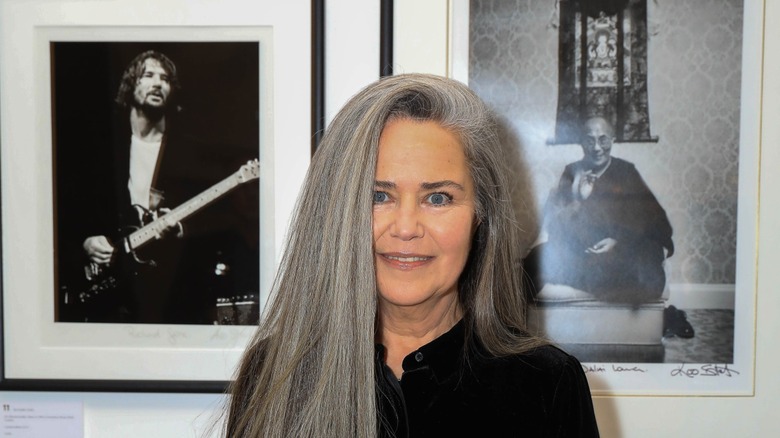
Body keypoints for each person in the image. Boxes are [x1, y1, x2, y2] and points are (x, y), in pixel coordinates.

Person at [225, 74, 599, 437]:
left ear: (480, 216)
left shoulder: (548, 385)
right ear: (337, 212)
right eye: (378, 196)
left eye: (438, 198)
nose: (406, 228)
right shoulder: (274, 374)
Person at [61, 49, 259, 324]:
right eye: (148, 75)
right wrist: (86, 242)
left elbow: (216, 221)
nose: (157, 83)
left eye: (165, 78)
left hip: (167, 288)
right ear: (131, 84)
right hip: (108, 288)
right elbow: (71, 208)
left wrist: (181, 230)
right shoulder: (104, 147)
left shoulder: (187, 151)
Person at [525, 117, 692, 336]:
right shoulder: (571, 171)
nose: (596, 147)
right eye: (589, 140)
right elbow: (556, 226)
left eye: (603, 139)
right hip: (582, 253)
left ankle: (665, 316)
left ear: (613, 140)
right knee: (535, 261)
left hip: (620, 253)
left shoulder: (627, 172)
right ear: (581, 142)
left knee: (645, 268)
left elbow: (654, 218)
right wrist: (578, 200)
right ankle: (510, 330)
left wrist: (618, 240)